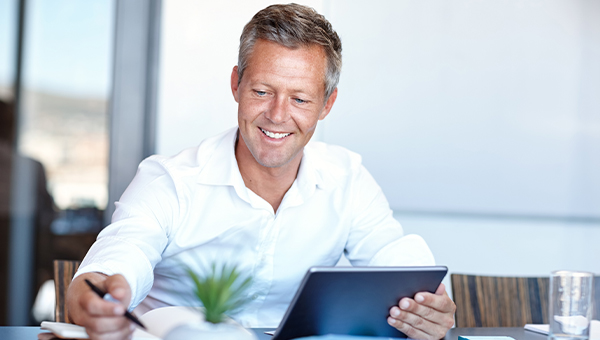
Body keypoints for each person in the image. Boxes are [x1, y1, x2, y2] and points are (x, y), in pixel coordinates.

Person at [66, 4, 456, 340]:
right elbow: (118, 259)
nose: (277, 115)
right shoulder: (169, 181)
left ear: (327, 104)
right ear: (236, 84)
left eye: (300, 98)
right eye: (261, 91)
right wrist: (95, 297)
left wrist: (430, 310)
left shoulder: (347, 179)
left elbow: (400, 265)